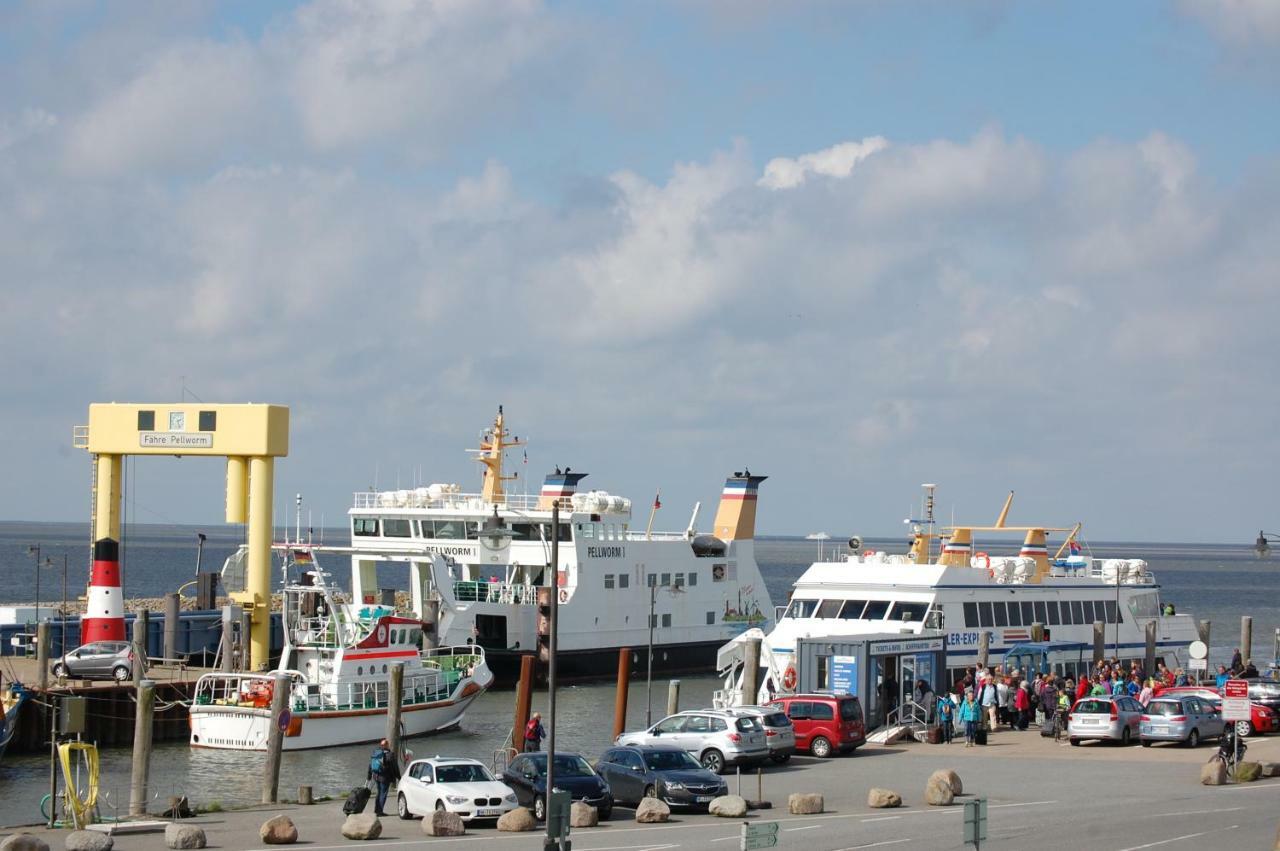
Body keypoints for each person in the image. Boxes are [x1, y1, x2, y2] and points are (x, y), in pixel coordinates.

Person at [367, 738, 400, 817]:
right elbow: (395, 767)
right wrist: (399, 777)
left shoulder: (376, 753)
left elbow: (370, 765)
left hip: (376, 776)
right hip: (385, 777)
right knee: (383, 794)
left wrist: (369, 776)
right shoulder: (390, 754)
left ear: (381, 745)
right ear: (387, 745)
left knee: (379, 793)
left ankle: (376, 810)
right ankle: (380, 812)